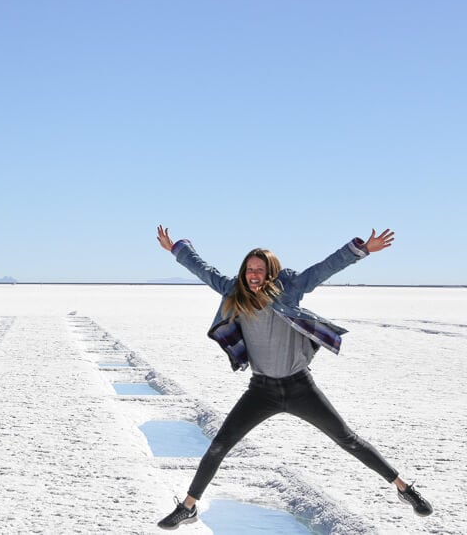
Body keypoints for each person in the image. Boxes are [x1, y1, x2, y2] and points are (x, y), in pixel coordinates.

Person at [154, 225, 432, 530]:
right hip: (260, 391)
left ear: (271, 272)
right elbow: (203, 270)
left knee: (348, 439)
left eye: (259, 269)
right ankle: (188, 507)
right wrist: (177, 249)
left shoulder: (290, 289)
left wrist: (362, 249)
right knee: (219, 445)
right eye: (249, 269)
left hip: (300, 387)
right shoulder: (234, 292)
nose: (253, 274)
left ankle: (405, 488)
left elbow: (324, 268)